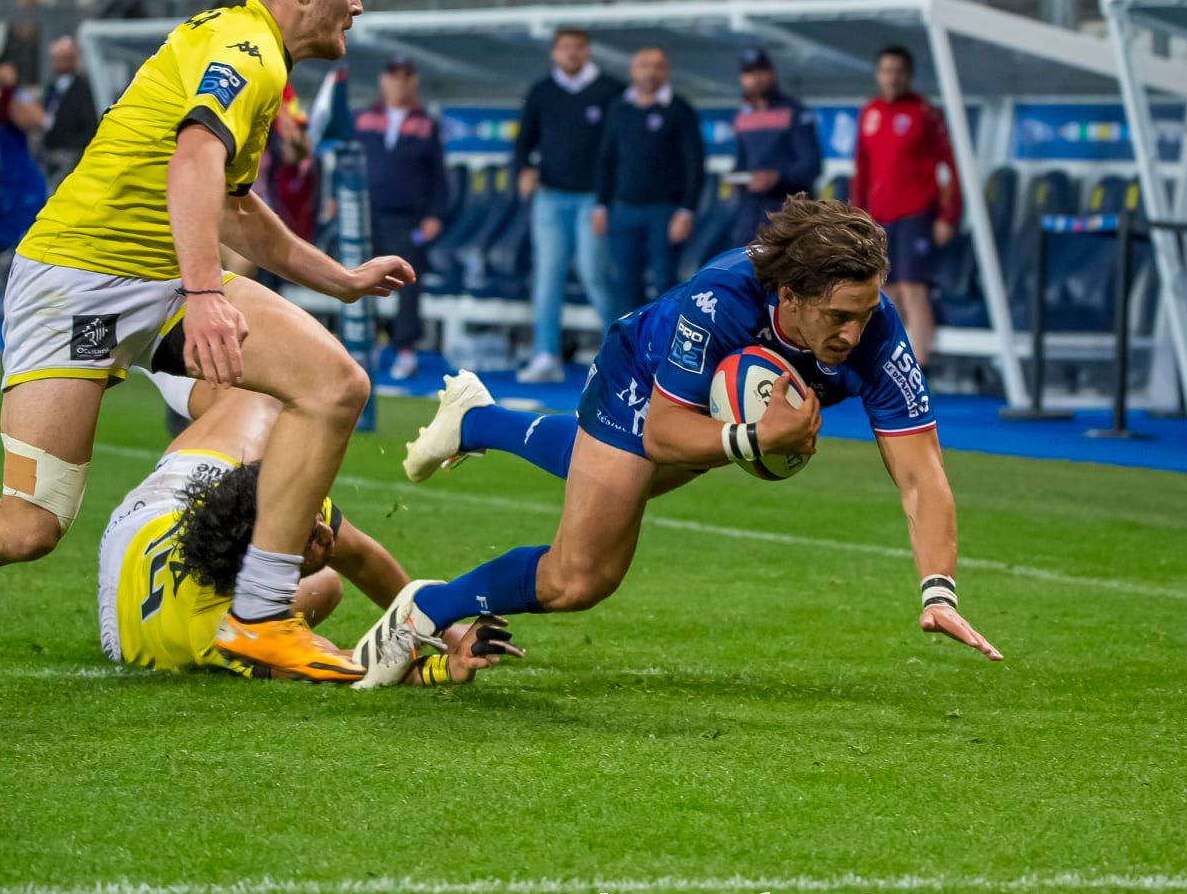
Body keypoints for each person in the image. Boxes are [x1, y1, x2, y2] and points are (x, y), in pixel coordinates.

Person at [0, 0, 417, 700]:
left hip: (156, 283)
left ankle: (260, 611)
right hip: (75, 281)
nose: (358, 2)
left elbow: (230, 204)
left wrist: (341, 278)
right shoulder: (247, 52)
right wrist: (203, 294)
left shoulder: (248, 48)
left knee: (335, 384)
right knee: (31, 524)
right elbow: (193, 161)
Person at [366, 195, 1002, 689]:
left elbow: (923, 475)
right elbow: (665, 434)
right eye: (839, 317)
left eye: (865, 313)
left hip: (708, 410)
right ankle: (425, 609)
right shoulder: (718, 301)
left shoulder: (878, 334)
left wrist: (938, 590)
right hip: (643, 380)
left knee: (609, 479)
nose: (854, 332)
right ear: (790, 296)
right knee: (580, 577)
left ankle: (477, 419)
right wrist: (756, 436)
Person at [100, 373, 522, 684]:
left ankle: (153, 352)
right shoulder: (218, 631)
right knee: (328, 584)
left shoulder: (279, 511)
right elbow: (342, 667)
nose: (326, 533)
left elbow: (362, 555)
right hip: (133, 616)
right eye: (308, 537)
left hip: (157, 513)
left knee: (258, 391)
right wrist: (444, 668)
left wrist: (445, 628)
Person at [513, 27, 623, 384]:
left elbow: (619, 148)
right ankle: (546, 355)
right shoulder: (542, 91)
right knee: (547, 278)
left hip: (592, 199)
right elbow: (522, 141)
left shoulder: (611, 91)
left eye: (578, 48)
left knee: (595, 275)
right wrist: (524, 170)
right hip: (549, 197)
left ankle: (623, 354)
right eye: (565, 48)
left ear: (588, 51)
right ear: (554, 53)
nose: (572, 54)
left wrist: (607, 199)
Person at [851, 46, 961, 359]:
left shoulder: (924, 113)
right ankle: (894, 365)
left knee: (914, 288)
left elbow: (949, 167)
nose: (893, 78)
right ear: (878, 75)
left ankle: (921, 366)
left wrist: (948, 216)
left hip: (917, 214)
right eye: (887, 71)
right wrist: (859, 219)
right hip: (879, 217)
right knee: (886, 291)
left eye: (899, 71)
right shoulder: (869, 112)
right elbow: (861, 170)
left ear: (909, 76)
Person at [354, 54, 447, 381]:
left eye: (406, 76)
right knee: (356, 278)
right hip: (364, 214)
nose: (399, 82)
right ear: (384, 80)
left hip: (406, 219)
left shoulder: (425, 123)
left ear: (414, 82)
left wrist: (435, 215)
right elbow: (341, 161)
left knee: (407, 284)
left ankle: (405, 350)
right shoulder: (363, 118)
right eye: (394, 76)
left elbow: (438, 176)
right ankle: (361, 344)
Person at [592, 47, 703, 319]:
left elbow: (694, 165)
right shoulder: (618, 108)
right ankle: (625, 354)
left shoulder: (679, 110)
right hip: (623, 210)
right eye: (644, 65)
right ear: (633, 70)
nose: (651, 72)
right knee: (624, 284)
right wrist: (601, 206)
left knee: (666, 282)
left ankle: (663, 351)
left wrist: (686, 211)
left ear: (666, 71)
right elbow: (606, 159)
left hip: (665, 211)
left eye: (658, 66)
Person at [730, 48, 823, 244]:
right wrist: (736, 178)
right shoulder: (743, 115)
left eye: (760, 71)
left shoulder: (794, 111)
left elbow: (812, 165)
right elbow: (741, 162)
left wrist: (777, 177)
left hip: (789, 211)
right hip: (750, 213)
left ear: (772, 72)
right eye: (749, 73)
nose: (755, 78)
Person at [40, 36, 99, 194]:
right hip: (49, 153)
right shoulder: (51, 88)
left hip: (70, 155)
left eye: (64, 56)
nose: (59, 61)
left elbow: (89, 125)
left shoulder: (83, 89)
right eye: (57, 56)